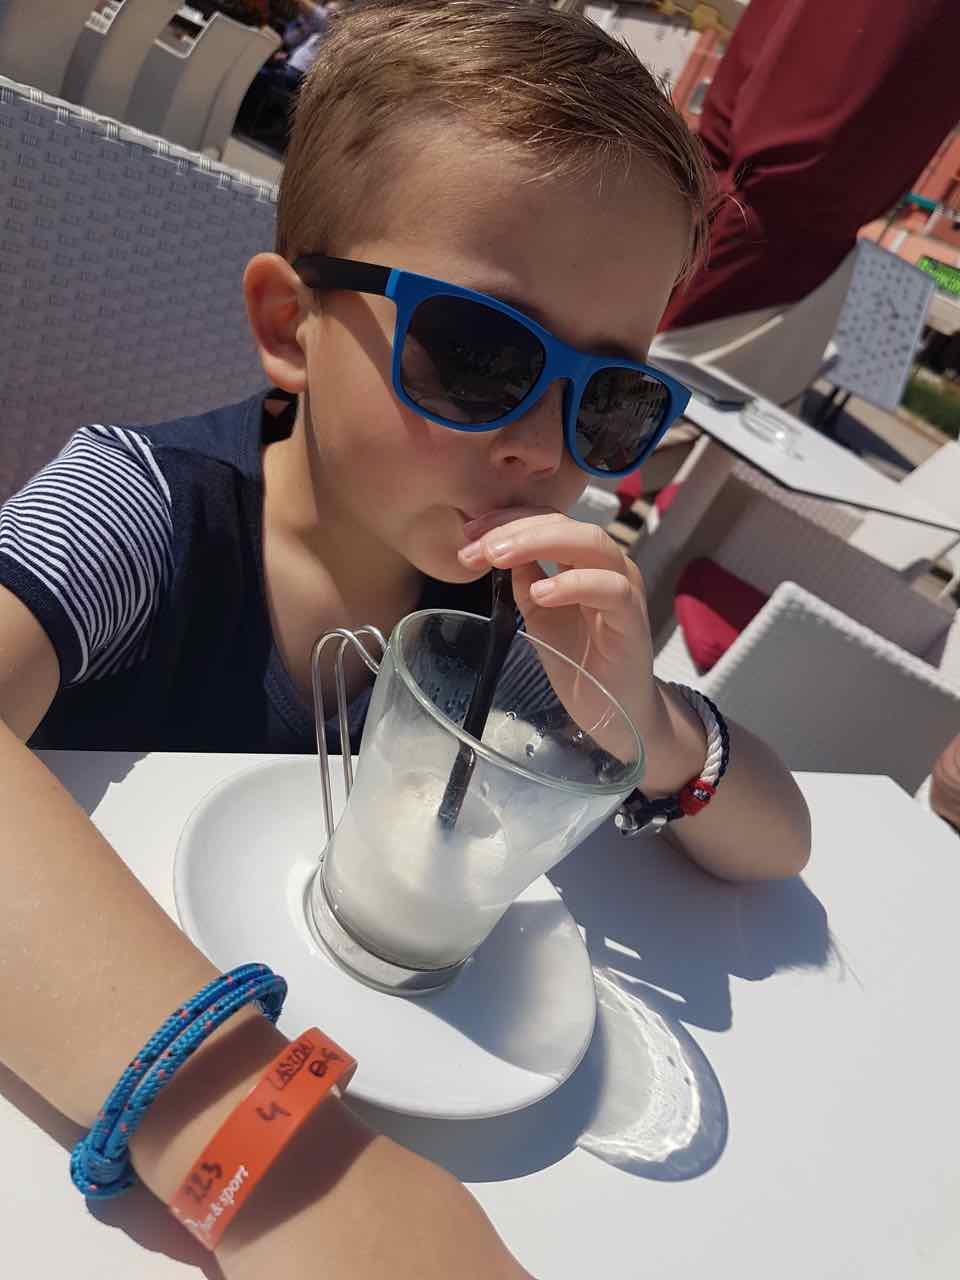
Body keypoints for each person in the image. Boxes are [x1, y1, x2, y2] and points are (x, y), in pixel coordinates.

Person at [0, 1, 811, 1274]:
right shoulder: (143, 508)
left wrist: (644, 721)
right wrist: (280, 1165)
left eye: (608, 399)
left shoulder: (503, 610)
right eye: (479, 353)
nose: (539, 447)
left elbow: (782, 845)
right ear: (291, 328)